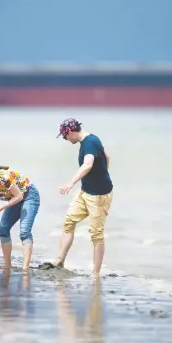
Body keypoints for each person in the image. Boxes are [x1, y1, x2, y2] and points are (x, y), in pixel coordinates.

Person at [40, 118, 113, 277]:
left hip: (98, 196)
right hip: (85, 191)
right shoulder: (92, 139)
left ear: (72, 132)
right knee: (69, 221)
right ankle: (59, 260)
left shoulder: (88, 143)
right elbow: (106, 157)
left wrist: (70, 183)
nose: (65, 139)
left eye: (65, 136)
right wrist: (103, 174)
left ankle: (95, 274)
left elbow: (88, 164)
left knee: (96, 234)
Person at [0, 159, 41, 272]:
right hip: (14, 199)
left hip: (28, 195)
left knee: (24, 231)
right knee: (3, 229)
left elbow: (19, 196)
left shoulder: (3, 177)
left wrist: (0, 208)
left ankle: (25, 268)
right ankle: (7, 265)